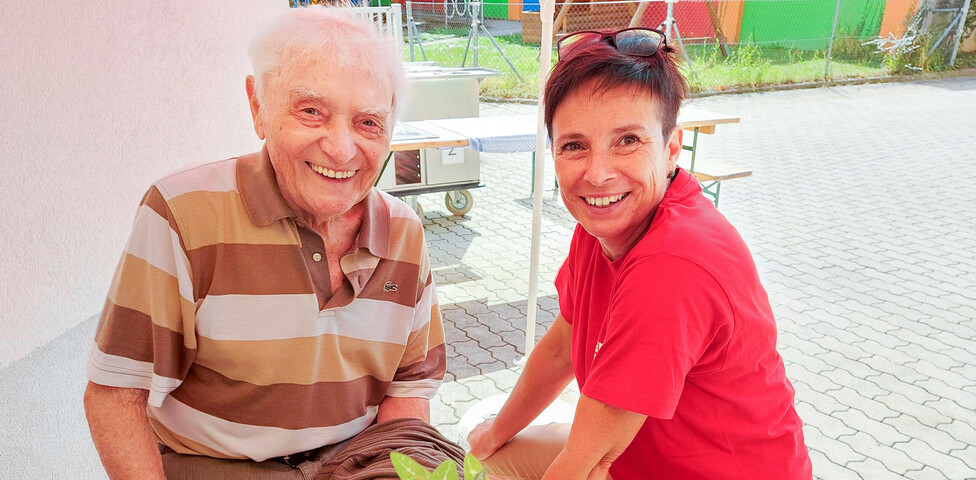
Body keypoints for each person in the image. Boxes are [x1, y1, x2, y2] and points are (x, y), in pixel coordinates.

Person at [83, 8, 463, 479]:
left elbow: (407, 389)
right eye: (311, 112)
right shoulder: (183, 213)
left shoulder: (404, 232)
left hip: (349, 465)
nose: (341, 150)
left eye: (368, 122)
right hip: (213, 467)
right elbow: (116, 395)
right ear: (258, 106)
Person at [467, 28, 812, 479]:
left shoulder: (674, 263)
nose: (598, 174)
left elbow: (584, 463)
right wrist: (489, 439)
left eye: (628, 140)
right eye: (575, 145)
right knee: (478, 443)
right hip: (642, 461)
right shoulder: (603, 226)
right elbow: (560, 351)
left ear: (671, 149)